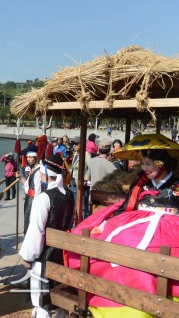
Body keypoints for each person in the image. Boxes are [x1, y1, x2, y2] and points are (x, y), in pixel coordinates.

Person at [68, 134, 179, 317]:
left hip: (169, 228)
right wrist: (104, 225)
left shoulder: (176, 185)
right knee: (117, 246)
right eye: (142, 163)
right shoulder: (140, 184)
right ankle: (115, 298)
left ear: (161, 163)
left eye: (148, 164)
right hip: (138, 223)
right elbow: (125, 207)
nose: (144, 168)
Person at [19, 154, 75, 318]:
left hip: (45, 256)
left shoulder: (44, 198)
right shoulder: (69, 195)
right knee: (60, 298)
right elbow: (70, 222)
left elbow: (36, 231)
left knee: (41, 300)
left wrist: (28, 256)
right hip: (63, 254)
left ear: (44, 173)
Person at [18, 150, 42, 235]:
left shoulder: (39, 171)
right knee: (27, 219)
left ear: (36, 159)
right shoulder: (33, 169)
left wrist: (36, 204)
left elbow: (38, 189)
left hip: (33, 200)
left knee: (30, 220)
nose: (28, 159)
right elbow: (28, 185)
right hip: (29, 198)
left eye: (30, 157)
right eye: (27, 157)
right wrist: (21, 177)